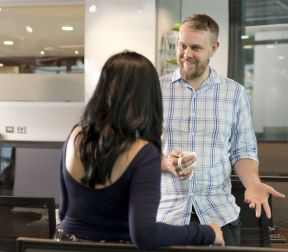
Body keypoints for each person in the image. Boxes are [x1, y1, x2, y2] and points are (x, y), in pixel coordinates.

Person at [56, 50, 224, 249]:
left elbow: (65, 211)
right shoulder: (143, 153)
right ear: (148, 96)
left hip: (62, 245)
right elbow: (145, 235)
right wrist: (208, 232)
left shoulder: (76, 135)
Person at [157, 14, 285, 246]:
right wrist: (166, 162)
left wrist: (252, 183)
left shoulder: (234, 93)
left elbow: (242, 151)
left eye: (196, 47)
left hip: (219, 215)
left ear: (214, 48)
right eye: (182, 45)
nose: (186, 54)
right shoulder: (155, 90)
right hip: (167, 216)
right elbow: (138, 151)